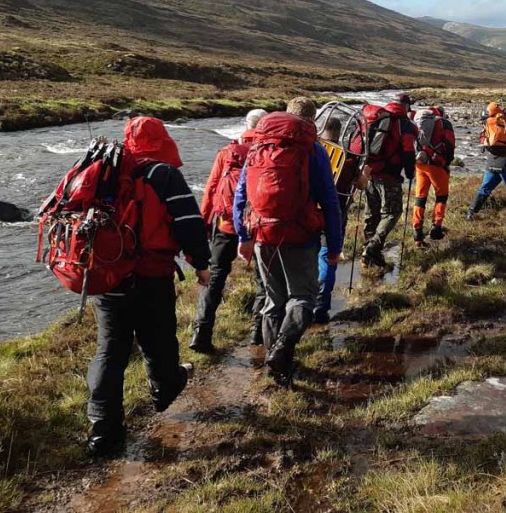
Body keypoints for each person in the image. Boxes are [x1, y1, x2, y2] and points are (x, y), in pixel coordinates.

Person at [87, 116, 211, 457]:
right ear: (162, 140)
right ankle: (165, 392)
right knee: (158, 339)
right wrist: (201, 264)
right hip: (151, 275)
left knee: (110, 351)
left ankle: (103, 433)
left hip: (107, 276)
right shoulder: (164, 174)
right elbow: (189, 223)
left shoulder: (103, 171)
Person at [233, 97, 342, 386]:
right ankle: (281, 352)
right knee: (303, 297)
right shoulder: (313, 149)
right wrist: (334, 246)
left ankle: (276, 367)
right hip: (300, 236)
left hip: (262, 234)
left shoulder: (259, 144)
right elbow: (330, 202)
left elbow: (241, 196)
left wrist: (243, 236)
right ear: (312, 119)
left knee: (273, 300)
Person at [191, 108, 268, 353]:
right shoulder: (270, 151)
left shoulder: (227, 152)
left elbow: (212, 187)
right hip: (258, 227)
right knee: (262, 281)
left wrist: (204, 223)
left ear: (245, 125)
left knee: (215, 278)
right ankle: (258, 334)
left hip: (225, 224)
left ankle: (201, 335)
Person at [361, 93, 417, 268]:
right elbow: (408, 151)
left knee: (372, 213)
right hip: (389, 176)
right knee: (393, 212)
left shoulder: (378, 118)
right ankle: (373, 246)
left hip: (369, 172)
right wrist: (409, 172)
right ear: (406, 107)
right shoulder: (405, 125)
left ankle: (368, 253)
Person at [315, 116, 362, 323]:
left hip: (308, 214)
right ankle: (321, 307)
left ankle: (300, 302)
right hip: (334, 215)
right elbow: (361, 185)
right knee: (328, 258)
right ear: (340, 131)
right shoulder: (348, 158)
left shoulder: (311, 150)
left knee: (305, 258)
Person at [467, 102, 506, 220]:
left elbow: (484, 140)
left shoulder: (493, 121)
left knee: (484, 189)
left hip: (492, 161)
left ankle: (471, 212)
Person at [412, 106, 456, 247]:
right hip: (437, 165)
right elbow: (450, 145)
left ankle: (417, 231)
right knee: (441, 197)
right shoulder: (443, 123)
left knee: (420, 197)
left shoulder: (417, 121)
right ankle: (436, 228)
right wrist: (446, 163)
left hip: (420, 164)